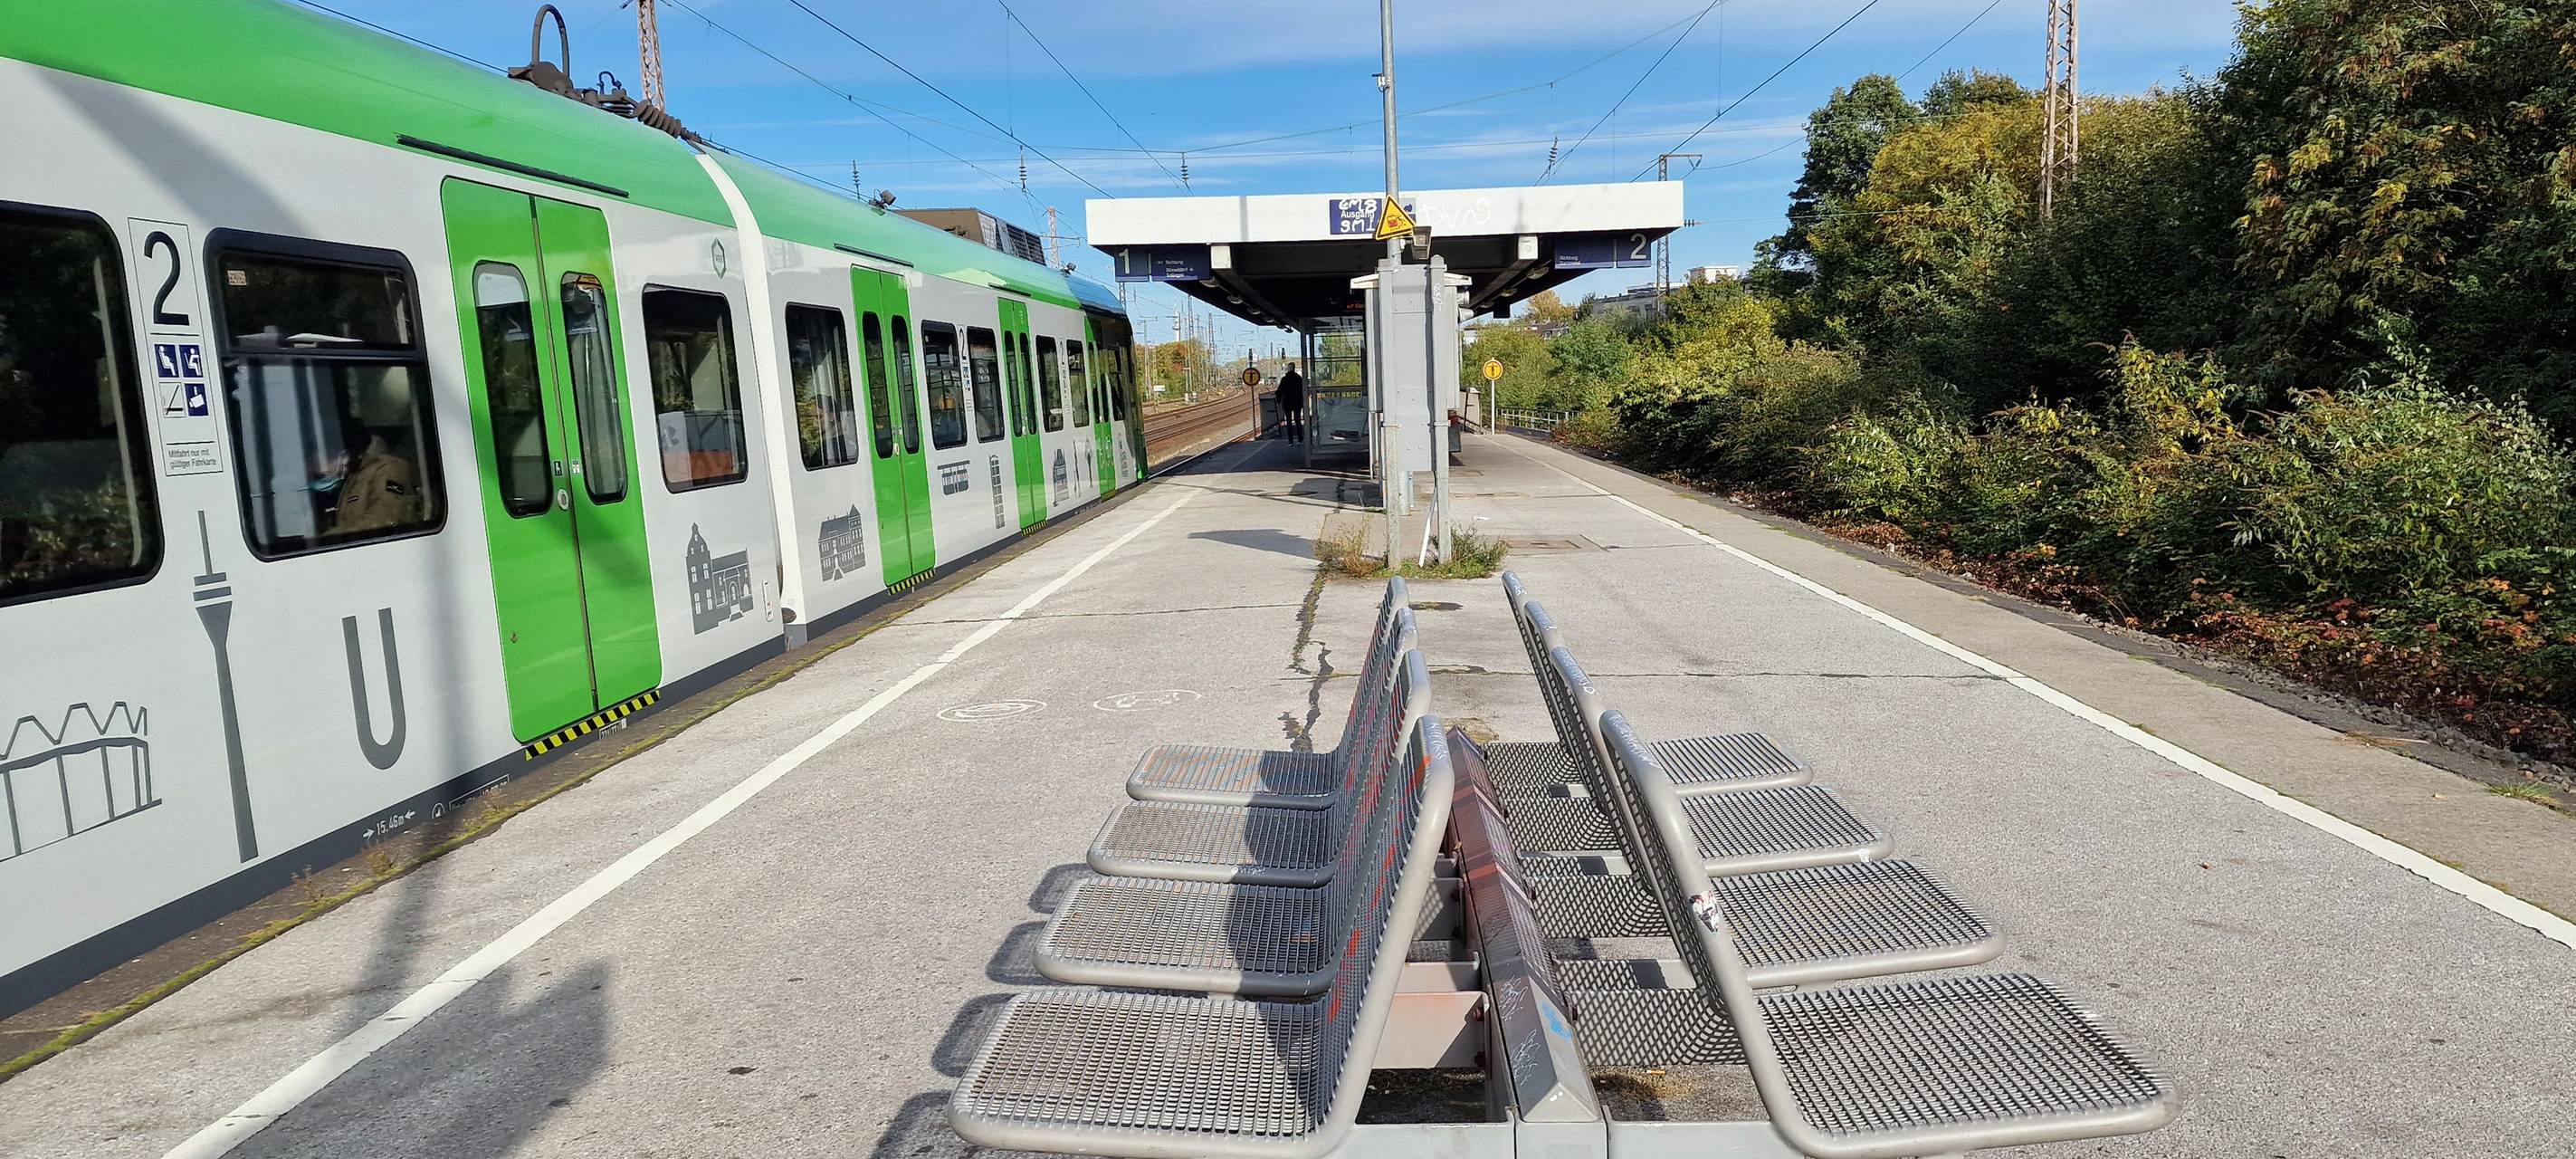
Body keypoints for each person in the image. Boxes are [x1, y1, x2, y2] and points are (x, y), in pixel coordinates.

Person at [317, 417, 420, 535]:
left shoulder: (388, 470)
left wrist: (330, 538)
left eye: (329, 458)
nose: (324, 467)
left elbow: (383, 521)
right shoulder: (355, 475)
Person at [1275, 365, 1306, 438]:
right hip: (1297, 402)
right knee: (1298, 420)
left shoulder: (1284, 379)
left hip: (1287, 403)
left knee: (1288, 422)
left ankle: (1290, 441)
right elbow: (1303, 390)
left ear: (1288, 369)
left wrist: (1278, 400)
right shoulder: (1299, 378)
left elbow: (1279, 391)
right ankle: (1300, 438)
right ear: (1294, 369)